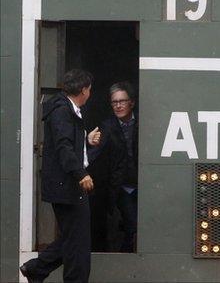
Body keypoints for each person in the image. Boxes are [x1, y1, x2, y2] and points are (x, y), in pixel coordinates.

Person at [20, 69, 101, 283]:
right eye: (89, 89)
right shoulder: (63, 112)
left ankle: (36, 268)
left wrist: (85, 141)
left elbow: (66, 143)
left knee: (73, 239)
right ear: (83, 90)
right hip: (69, 185)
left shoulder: (66, 109)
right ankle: (42, 270)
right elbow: (63, 146)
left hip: (66, 184)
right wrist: (80, 173)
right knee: (78, 244)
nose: (90, 93)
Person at [90, 81, 138, 253]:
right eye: (114, 102)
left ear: (131, 102)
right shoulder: (107, 126)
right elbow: (94, 153)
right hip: (123, 187)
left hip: (146, 185)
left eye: (122, 101)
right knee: (130, 225)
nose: (118, 106)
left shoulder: (143, 122)